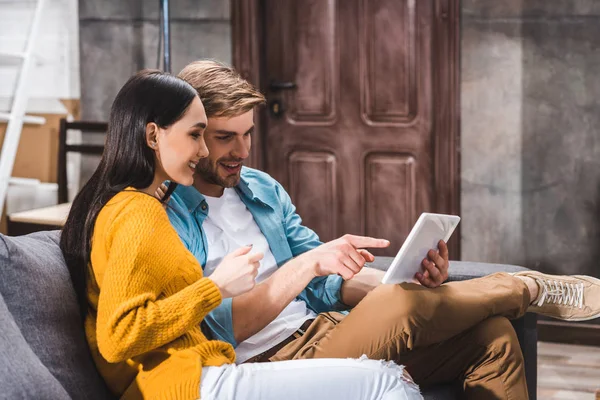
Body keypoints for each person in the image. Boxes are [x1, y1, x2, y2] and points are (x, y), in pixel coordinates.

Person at [165, 60, 600, 400]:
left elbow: (326, 286)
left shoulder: (260, 189)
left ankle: (511, 290)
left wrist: (408, 282)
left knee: (494, 338)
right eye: (225, 138)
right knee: (401, 303)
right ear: (195, 135)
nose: (241, 151)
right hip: (265, 365)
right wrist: (306, 266)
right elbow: (214, 331)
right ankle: (525, 288)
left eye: (248, 134)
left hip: (324, 330)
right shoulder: (169, 217)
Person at [59, 70, 422, 400]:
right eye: (196, 136)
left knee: (396, 372)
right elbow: (118, 336)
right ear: (153, 135)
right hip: (188, 383)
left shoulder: (130, 207)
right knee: (388, 380)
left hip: (206, 373)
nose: (203, 151)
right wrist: (215, 288)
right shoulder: (138, 211)